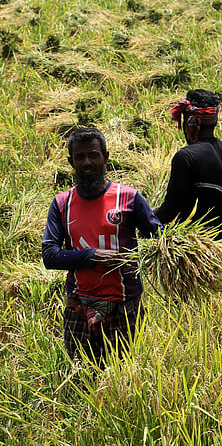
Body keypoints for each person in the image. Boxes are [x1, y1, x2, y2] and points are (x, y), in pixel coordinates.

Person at [42, 127, 161, 366]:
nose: (87, 162)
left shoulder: (129, 198)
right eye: (80, 157)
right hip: (79, 304)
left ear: (105, 157)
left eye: (93, 155)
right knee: (80, 373)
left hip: (124, 305)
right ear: (71, 162)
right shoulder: (62, 203)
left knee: (124, 373)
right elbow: (49, 256)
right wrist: (91, 256)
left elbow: (159, 239)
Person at [155, 89, 222, 239]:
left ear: (190, 122)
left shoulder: (186, 157)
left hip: (191, 243)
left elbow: (170, 211)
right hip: (221, 243)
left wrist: (143, 215)